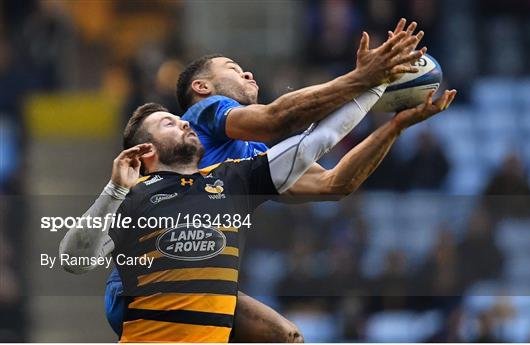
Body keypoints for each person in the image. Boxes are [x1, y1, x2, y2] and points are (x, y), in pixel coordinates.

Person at [101, 18, 428, 341]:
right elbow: (277, 119)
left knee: (286, 336)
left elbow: (336, 183)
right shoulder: (200, 115)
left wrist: (393, 127)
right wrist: (362, 79)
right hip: (145, 282)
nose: (247, 72)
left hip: (199, 280)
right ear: (202, 87)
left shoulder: (251, 157)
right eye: (232, 67)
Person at [60, 81, 455, 341]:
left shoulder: (232, 178)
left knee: (290, 338)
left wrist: (378, 88)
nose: (183, 125)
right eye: (168, 123)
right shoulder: (134, 196)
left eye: (181, 120)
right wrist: (113, 189)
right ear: (144, 151)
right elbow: (74, 261)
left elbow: (317, 141)